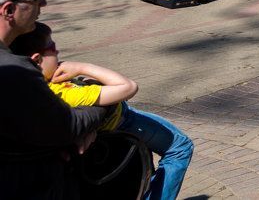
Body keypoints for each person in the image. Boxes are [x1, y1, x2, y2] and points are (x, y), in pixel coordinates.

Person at [11, 22, 193, 200]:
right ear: (37, 59)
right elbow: (127, 87)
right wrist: (82, 67)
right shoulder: (64, 94)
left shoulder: (34, 87)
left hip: (114, 124)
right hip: (123, 121)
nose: (58, 52)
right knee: (180, 147)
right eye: (52, 47)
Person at [0, 0, 110, 197]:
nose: (45, 4)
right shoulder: (14, 70)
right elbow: (66, 126)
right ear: (8, 10)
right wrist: (102, 98)